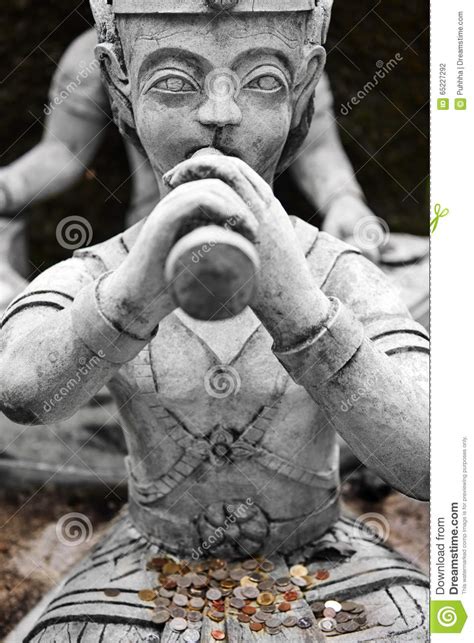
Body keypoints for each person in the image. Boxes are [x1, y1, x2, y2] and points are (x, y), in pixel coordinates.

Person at [0, 1, 429, 640]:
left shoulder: (331, 272)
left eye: (264, 83)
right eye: (173, 83)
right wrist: (133, 294)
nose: (220, 113)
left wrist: (304, 306)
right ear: (121, 80)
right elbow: (21, 390)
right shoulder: (100, 275)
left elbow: (430, 458)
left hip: (328, 564)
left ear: (302, 83)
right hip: (151, 568)